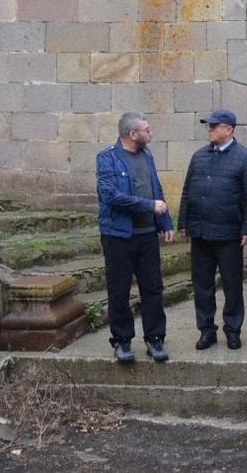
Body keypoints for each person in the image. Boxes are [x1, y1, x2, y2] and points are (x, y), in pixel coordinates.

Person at [177, 109, 247, 352]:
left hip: (229, 235)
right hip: (201, 233)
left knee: (232, 286)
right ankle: (206, 331)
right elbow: (187, 191)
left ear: (229, 130)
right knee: (202, 286)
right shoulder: (199, 156)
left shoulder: (246, 158)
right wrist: (183, 222)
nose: (209, 129)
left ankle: (232, 331)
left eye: (214, 126)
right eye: (209, 126)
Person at [95, 111, 175, 363]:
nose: (150, 133)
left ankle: (155, 338)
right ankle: (122, 341)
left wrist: (164, 221)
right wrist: (149, 206)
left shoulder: (146, 155)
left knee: (153, 288)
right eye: (147, 130)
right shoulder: (107, 158)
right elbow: (110, 196)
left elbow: (155, 188)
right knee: (119, 290)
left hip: (147, 235)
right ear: (132, 134)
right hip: (118, 235)